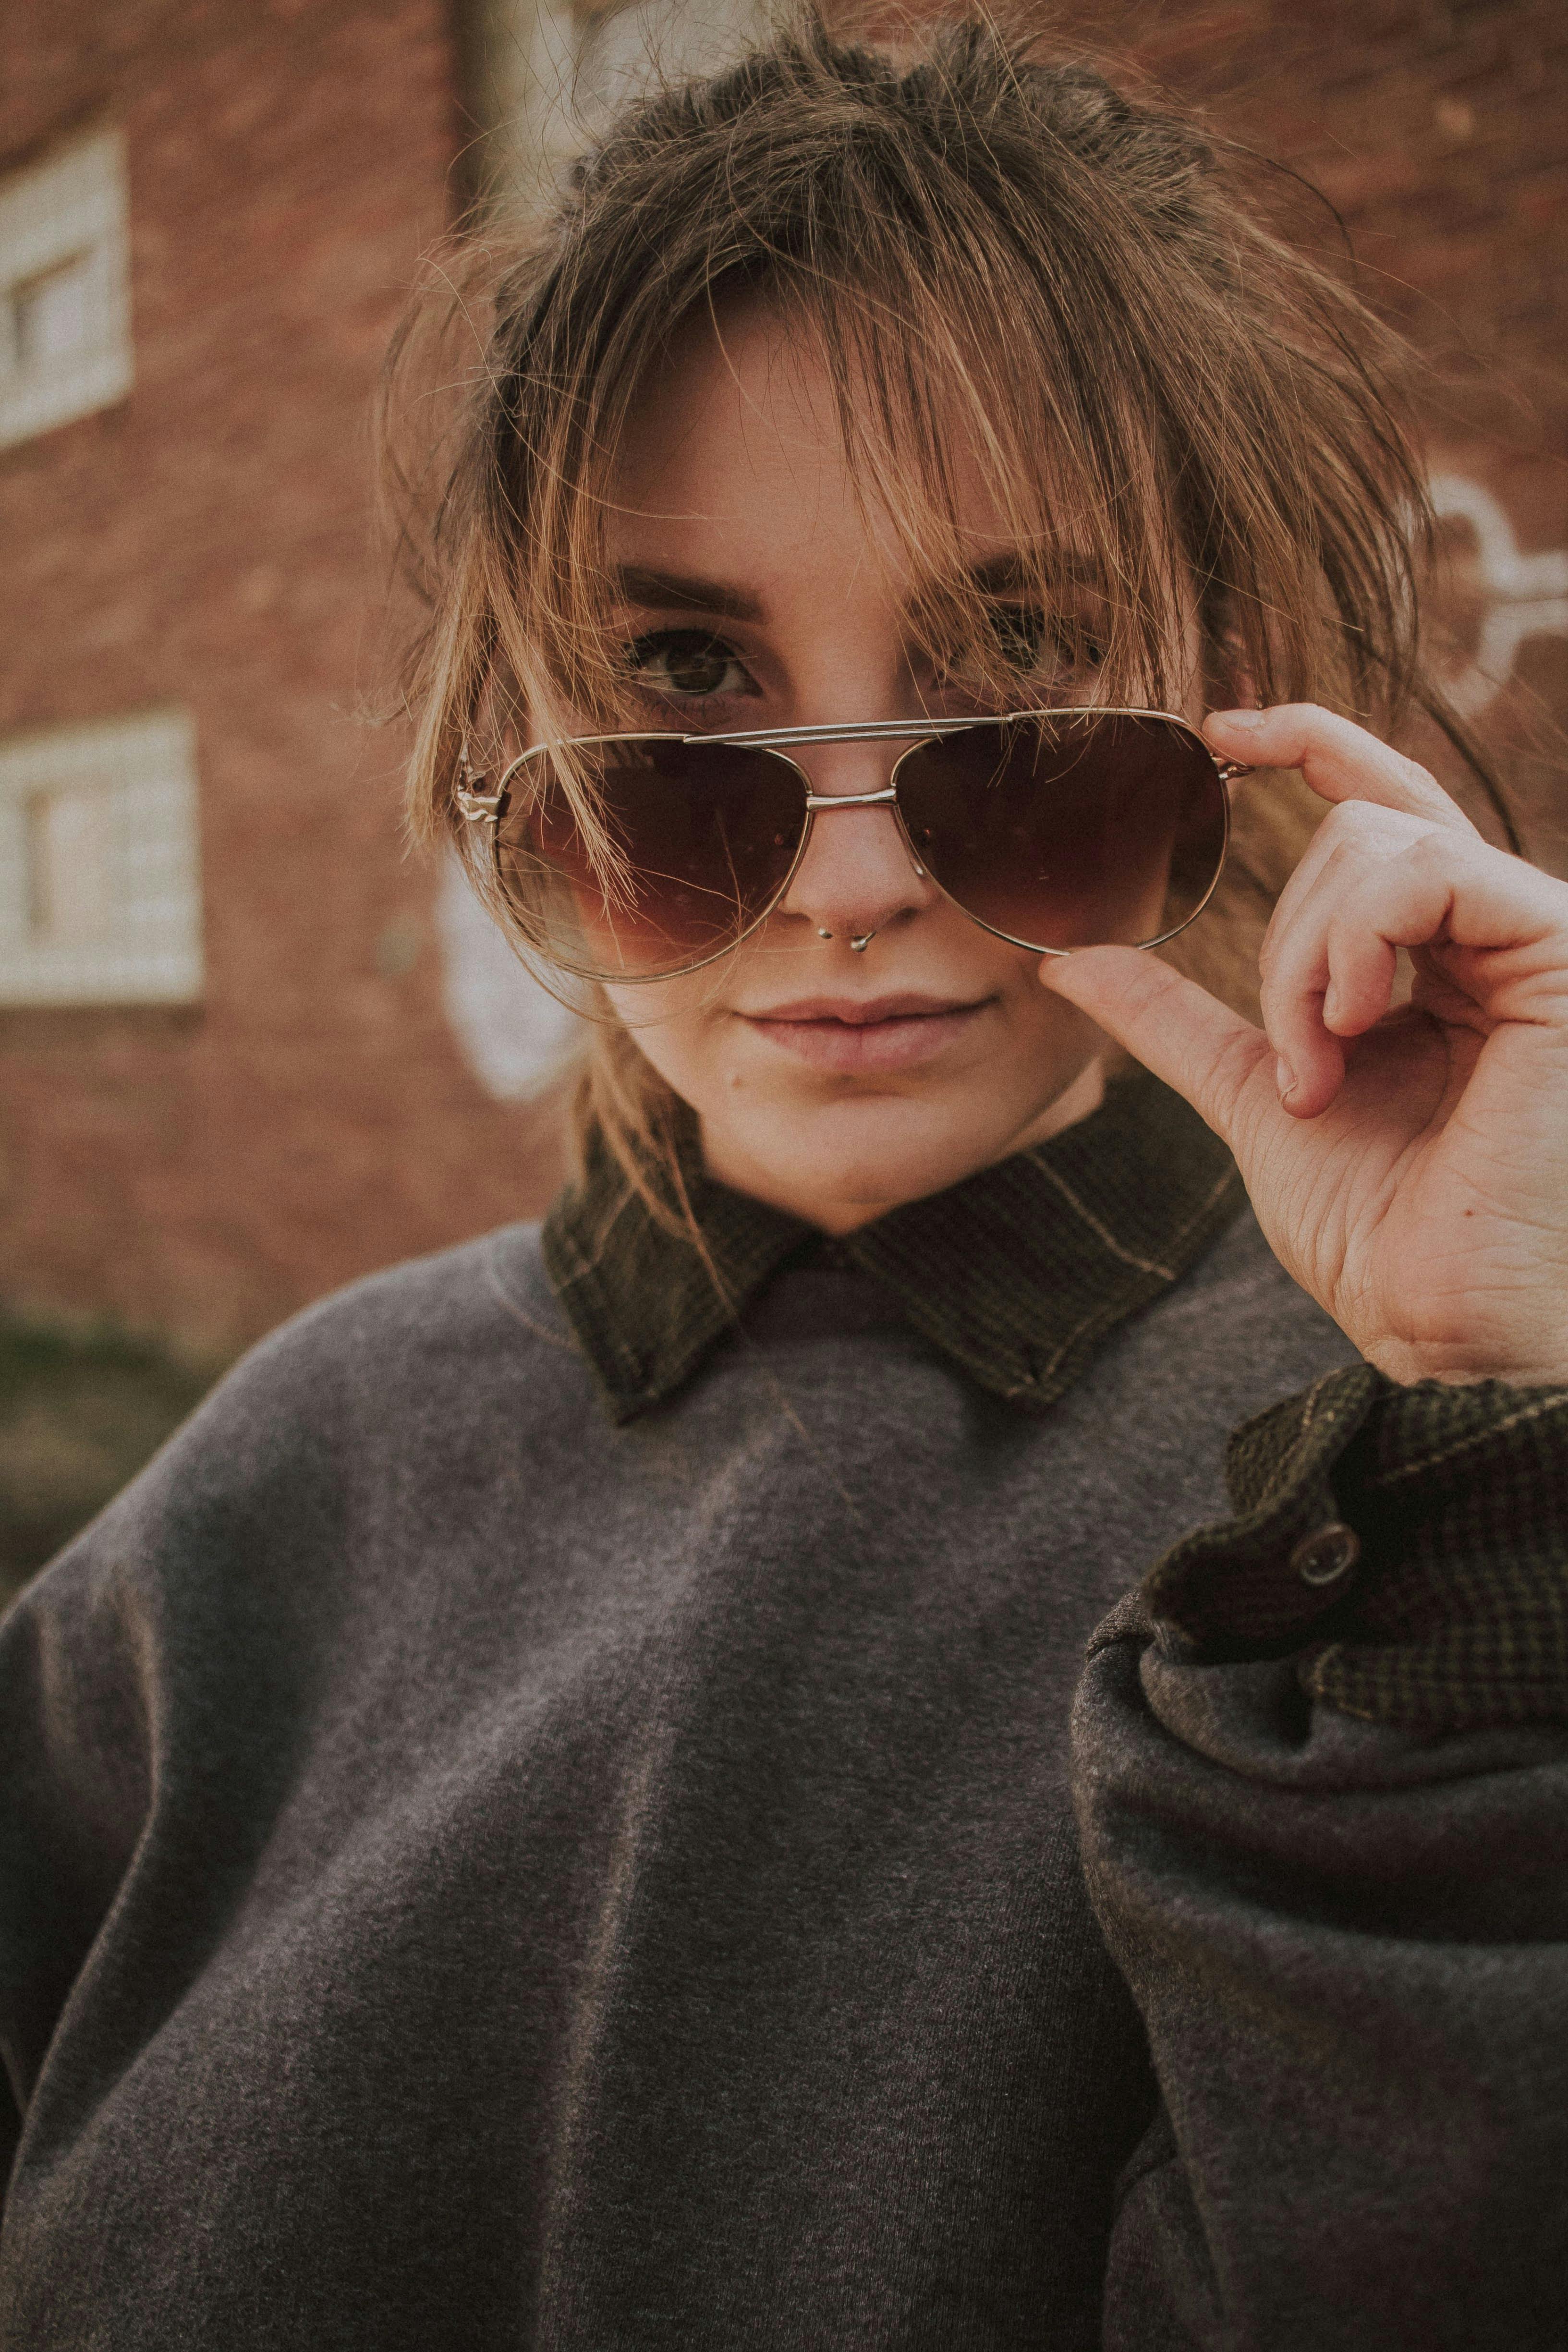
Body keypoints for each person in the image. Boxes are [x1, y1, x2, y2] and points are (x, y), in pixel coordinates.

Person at [3, 17, 1566, 2348]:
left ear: (1234, 707)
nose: (846, 884)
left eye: (1019, 656)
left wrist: (1483, 1450)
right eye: (682, 669)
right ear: (493, 737)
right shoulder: (271, 1483)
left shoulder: (1426, 1531)